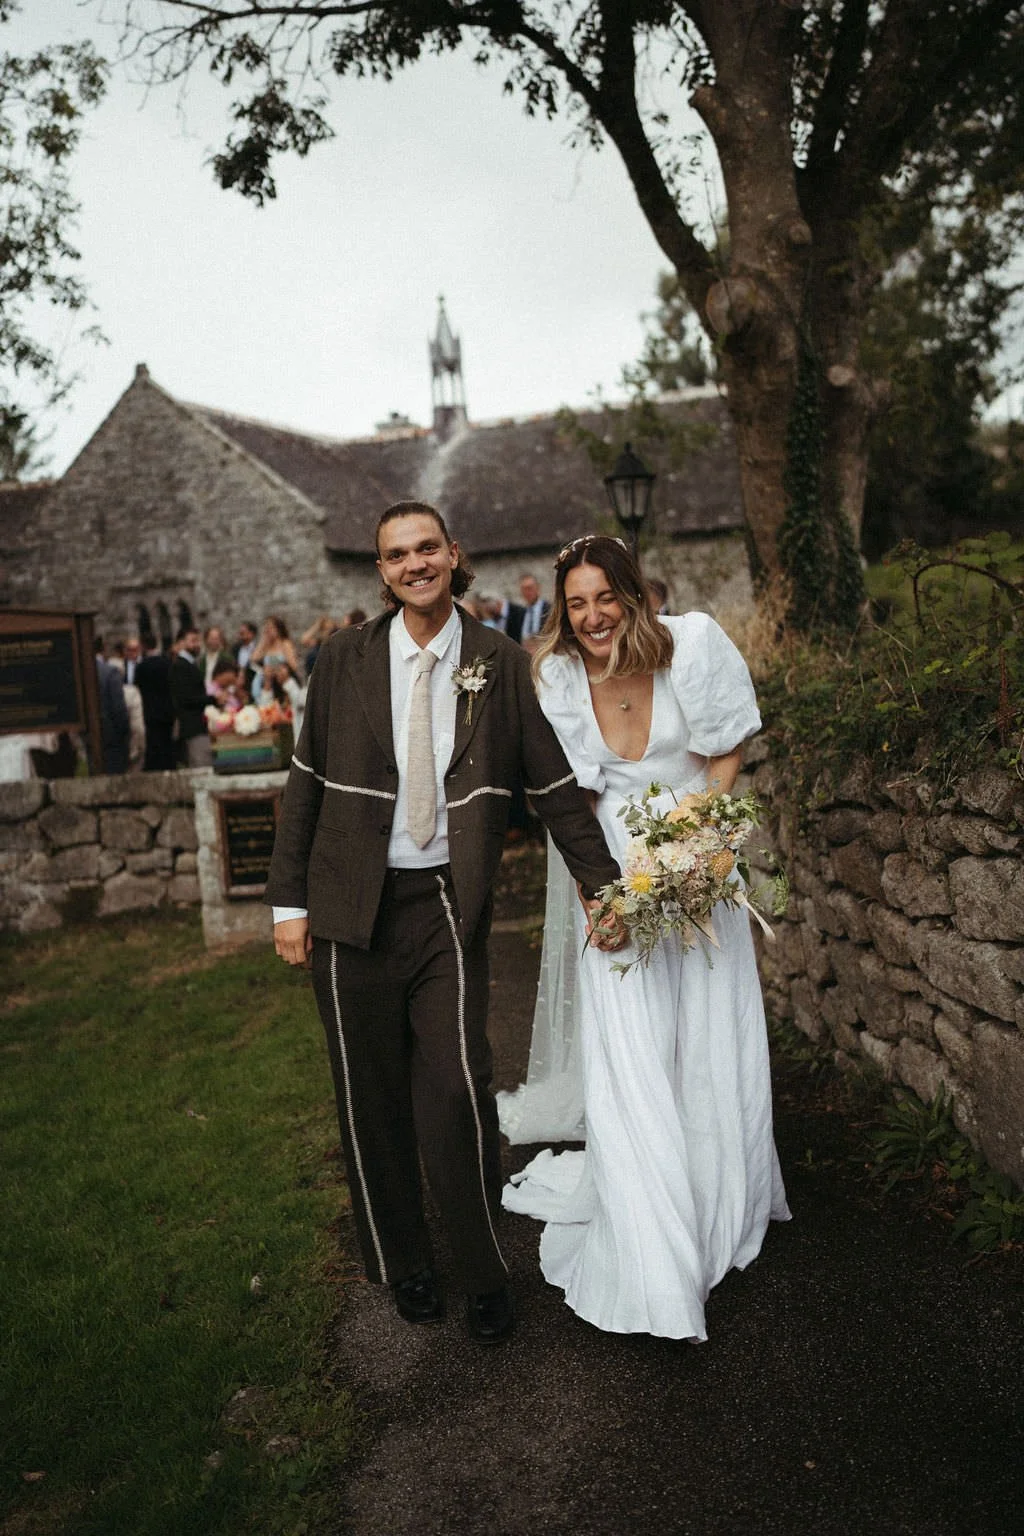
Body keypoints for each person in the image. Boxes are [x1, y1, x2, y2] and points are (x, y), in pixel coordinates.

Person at [265, 500, 622, 1345]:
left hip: (442, 904)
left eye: (428, 547)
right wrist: (289, 905)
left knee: (457, 1085)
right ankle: (405, 1263)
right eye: (397, 554)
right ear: (381, 572)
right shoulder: (342, 659)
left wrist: (603, 886)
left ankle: (479, 1268)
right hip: (349, 905)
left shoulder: (500, 662)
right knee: (370, 1095)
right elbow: (304, 787)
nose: (415, 563)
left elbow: (554, 789)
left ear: (453, 556)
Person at [498, 534, 790, 1341]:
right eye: (576, 603)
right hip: (614, 873)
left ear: (632, 593)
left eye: (604, 597)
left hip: (698, 863)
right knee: (631, 1047)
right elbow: (573, 799)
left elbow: (727, 748)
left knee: (706, 1035)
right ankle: (650, 1244)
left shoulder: (691, 645)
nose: (591, 617)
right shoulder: (556, 676)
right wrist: (602, 892)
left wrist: (701, 837)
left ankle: (713, 1202)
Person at [169, 628, 214, 768]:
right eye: (192, 641)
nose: (196, 645)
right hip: (192, 726)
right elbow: (187, 698)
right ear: (182, 643)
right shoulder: (181, 666)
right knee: (201, 764)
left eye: (198, 641)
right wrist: (212, 699)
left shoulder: (189, 664)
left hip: (197, 725)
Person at [135, 632, 177, 771]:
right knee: (167, 741)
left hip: (150, 711)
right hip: (167, 710)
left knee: (154, 743)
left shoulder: (141, 667)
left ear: (144, 646)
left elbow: (138, 687)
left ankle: (155, 767)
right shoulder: (167, 663)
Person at [95, 639, 130, 774]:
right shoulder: (109, 672)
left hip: (90, 740)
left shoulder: (79, 671)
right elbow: (118, 708)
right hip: (113, 739)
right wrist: (125, 732)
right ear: (103, 649)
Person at [518, 573, 550, 644]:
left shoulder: (550, 610)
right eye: (524, 589)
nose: (527, 592)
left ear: (538, 588)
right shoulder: (520, 613)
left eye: (529, 588)